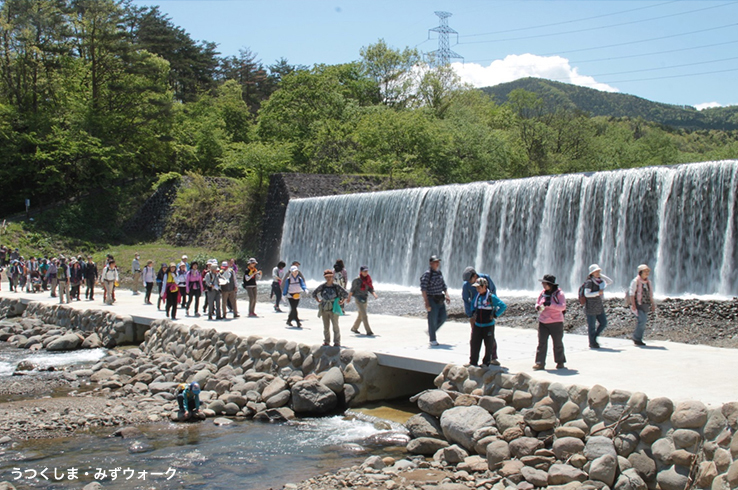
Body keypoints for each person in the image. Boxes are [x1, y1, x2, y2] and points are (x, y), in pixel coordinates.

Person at [469, 277, 507, 367]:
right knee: (474, 343)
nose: (477, 289)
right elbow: (472, 305)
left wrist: (495, 315)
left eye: (479, 287)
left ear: (484, 287)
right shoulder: (477, 297)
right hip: (478, 325)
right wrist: (474, 313)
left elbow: (503, 306)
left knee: (488, 345)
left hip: (488, 325)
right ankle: (473, 362)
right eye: (476, 288)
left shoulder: (491, 297)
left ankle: (486, 363)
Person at [462, 267, 497, 358]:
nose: (469, 282)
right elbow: (466, 300)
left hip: (487, 310)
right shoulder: (466, 285)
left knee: (489, 334)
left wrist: (493, 311)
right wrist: (470, 316)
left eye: (470, 280)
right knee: (475, 336)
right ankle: (473, 359)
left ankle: (493, 357)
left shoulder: (486, 278)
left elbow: (493, 292)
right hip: (476, 312)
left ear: (475, 275)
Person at [533, 275, 567, 370]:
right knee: (541, 343)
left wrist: (551, 304)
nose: (543, 285)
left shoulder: (559, 294)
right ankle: (540, 363)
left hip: (556, 322)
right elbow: (537, 303)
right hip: (543, 321)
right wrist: (538, 307)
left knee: (557, 343)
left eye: (544, 283)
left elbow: (562, 307)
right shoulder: (543, 293)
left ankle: (560, 362)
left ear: (550, 284)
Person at [420, 255, 451, 347]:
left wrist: (447, 295)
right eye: (435, 262)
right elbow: (423, 289)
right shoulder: (427, 274)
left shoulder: (439, 273)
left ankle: (431, 331)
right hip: (431, 299)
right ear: (431, 263)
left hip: (440, 298)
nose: (437, 264)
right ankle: (432, 339)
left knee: (444, 317)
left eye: (438, 262)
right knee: (432, 319)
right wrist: (426, 302)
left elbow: (443, 285)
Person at [313, 269, 349, 347]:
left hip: (334, 308)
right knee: (326, 327)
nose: (328, 278)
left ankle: (337, 342)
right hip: (324, 308)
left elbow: (346, 294)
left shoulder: (336, 286)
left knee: (335, 326)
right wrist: (318, 300)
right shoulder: (322, 286)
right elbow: (314, 293)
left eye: (330, 276)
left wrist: (342, 301)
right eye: (327, 277)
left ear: (332, 276)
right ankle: (326, 341)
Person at [583, 264, 614, 349]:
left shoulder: (601, 281)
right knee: (591, 326)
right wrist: (597, 293)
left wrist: (601, 275)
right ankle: (592, 342)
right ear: (591, 273)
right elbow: (587, 294)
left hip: (599, 305)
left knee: (603, 323)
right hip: (591, 306)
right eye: (595, 271)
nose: (597, 273)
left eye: (598, 271)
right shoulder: (589, 282)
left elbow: (610, 281)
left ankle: (594, 337)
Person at [347, 266, 378, 336]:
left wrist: (374, 294)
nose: (366, 273)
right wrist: (349, 298)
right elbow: (352, 290)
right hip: (358, 299)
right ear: (361, 272)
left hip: (365, 298)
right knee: (364, 315)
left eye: (367, 271)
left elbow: (370, 288)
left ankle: (354, 328)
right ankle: (369, 331)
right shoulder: (356, 280)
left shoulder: (368, 279)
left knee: (361, 315)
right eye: (364, 271)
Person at [629, 264, 656, 346]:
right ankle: (636, 338)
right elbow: (632, 294)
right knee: (642, 320)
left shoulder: (648, 282)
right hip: (638, 304)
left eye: (648, 271)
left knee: (643, 321)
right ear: (640, 272)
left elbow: (650, 294)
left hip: (645, 304)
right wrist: (633, 304)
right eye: (645, 271)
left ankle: (638, 338)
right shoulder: (635, 281)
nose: (647, 273)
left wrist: (653, 304)